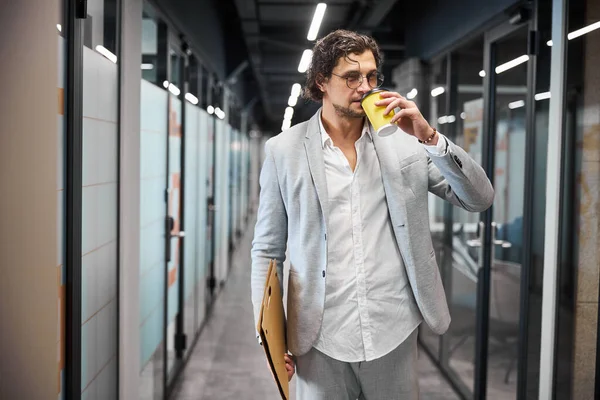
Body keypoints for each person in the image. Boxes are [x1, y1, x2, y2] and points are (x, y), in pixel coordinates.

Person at [251, 29, 494, 399]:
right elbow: (267, 250)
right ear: (321, 81)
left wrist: (429, 137)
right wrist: (270, 335)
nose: (365, 87)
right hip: (319, 336)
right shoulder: (283, 152)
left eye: (371, 76)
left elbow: (479, 198)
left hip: (392, 329)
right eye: (351, 77)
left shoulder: (405, 144)